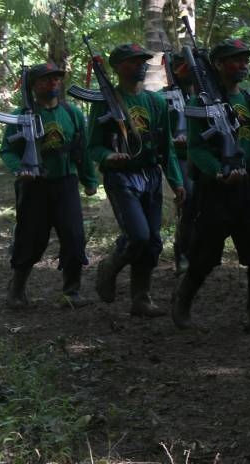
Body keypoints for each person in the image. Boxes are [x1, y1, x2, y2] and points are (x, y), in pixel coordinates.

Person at [172, 39, 250, 334]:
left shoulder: (249, 100)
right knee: (205, 256)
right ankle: (181, 303)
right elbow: (195, 148)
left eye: (245, 59)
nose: (243, 65)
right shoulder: (199, 105)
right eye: (235, 60)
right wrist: (219, 171)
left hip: (249, 188)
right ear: (217, 65)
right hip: (215, 192)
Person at [90, 43, 186, 317]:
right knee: (139, 235)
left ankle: (141, 298)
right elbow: (92, 146)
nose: (140, 66)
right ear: (118, 68)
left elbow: (166, 144)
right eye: (132, 62)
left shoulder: (156, 102)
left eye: (142, 61)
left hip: (151, 175)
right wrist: (109, 156)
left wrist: (176, 180)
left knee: (153, 241)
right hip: (122, 177)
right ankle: (110, 266)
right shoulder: (105, 103)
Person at [2, 62, 99, 309]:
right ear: (33, 85)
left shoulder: (73, 113)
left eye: (56, 79)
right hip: (34, 186)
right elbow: (8, 151)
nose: (53, 83)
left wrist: (90, 180)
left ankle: (71, 292)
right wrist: (20, 169)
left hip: (66, 182)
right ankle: (17, 290)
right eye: (46, 80)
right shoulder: (21, 115)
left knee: (74, 236)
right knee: (30, 239)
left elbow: (83, 150)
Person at [165, 53, 197, 277]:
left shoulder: (204, 93)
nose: (183, 70)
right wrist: (172, 140)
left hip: (203, 155)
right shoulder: (163, 97)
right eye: (177, 66)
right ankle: (182, 253)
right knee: (190, 202)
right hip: (180, 157)